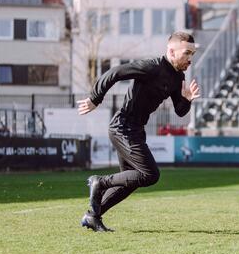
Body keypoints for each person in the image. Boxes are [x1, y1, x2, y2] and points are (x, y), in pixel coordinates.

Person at [77, 31, 201, 232]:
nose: (189, 59)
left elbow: (179, 111)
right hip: (123, 127)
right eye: (186, 53)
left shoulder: (178, 77)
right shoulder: (151, 66)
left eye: (192, 55)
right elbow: (115, 72)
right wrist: (95, 98)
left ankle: (92, 216)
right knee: (150, 174)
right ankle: (99, 182)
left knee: (131, 180)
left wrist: (186, 100)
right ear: (171, 50)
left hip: (135, 130)